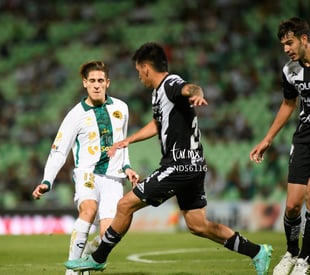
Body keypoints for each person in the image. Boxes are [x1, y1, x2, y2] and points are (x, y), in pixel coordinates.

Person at [64, 42, 273, 275]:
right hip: (194, 164)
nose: (139, 77)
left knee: (124, 205)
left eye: (137, 71)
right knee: (198, 225)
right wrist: (128, 140)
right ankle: (257, 252)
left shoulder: (169, 83)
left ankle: (98, 258)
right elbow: (157, 124)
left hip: (179, 164)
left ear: (145, 68)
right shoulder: (158, 95)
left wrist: (197, 93)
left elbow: (187, 88)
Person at [32, 61, 139, 275]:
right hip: (87, 173)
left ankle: (89, 253)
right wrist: (47, 181)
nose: (97, 85)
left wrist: (126, 166)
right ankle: (72, 271)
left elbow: (122, 141)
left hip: (113, 178)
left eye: (101, 81)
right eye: (92, 81)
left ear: (108, 83)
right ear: (84, 83)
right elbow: (59, 150)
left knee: (110, 234)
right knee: (88, 210)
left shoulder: (121, 108)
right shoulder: (74, 115)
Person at [250, 17, 310, 275]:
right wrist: (267, 139)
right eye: (283, 44)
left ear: (305, 39)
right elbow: (288, 104)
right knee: (292, 205)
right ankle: (291, 252)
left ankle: (305, 259)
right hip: (304, 137)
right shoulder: (290, 71)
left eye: (290, 42)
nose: (286, 49)